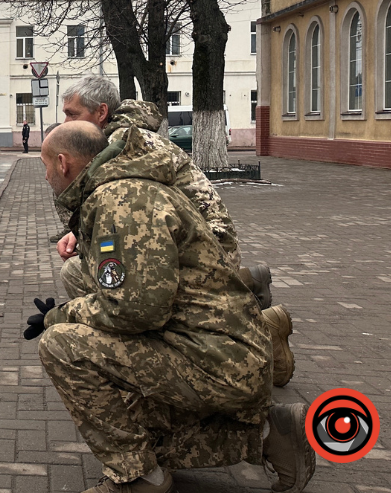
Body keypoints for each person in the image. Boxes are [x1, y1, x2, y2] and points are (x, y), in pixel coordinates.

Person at [29, 122, 314, 493]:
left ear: (64, 163)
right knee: (139, 430)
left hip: (216, 360)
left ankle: (138, 478)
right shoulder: (122, 192)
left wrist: (61, 315)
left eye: (45, 165)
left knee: (62, 345)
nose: (47, 175)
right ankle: (268, 436)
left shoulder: (121, 202)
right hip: (216, 351)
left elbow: (136, 311)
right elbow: (135, 299)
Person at [55, 75, 294, 387]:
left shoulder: (124, 146)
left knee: (130, 297)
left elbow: (128, 213)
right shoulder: (120, 140)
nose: (66, 122)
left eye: (73, 115)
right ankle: (250, 308)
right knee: (101, 279)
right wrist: (82, 233)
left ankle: (250, 336)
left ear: (100, 113)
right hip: (188, 242)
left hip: (208, 247)